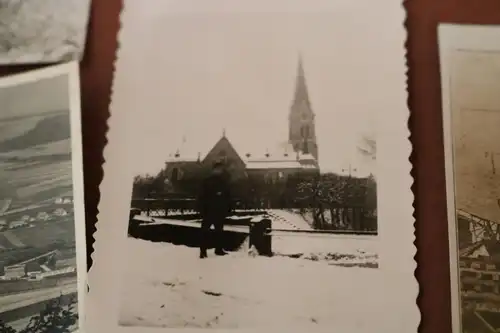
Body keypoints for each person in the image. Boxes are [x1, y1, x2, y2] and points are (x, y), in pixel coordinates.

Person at [197, 160, 233, 258]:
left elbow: (227, 196)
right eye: (219, 169)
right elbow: (202, 196)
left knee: (217, 231)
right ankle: (204, 251)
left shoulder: (221, 181)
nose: (220, 171)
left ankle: (217, 249)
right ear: (215, 169)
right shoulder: (210, 181)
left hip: (215, 210)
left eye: (221, 169)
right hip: (211, 210)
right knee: (207, 231)